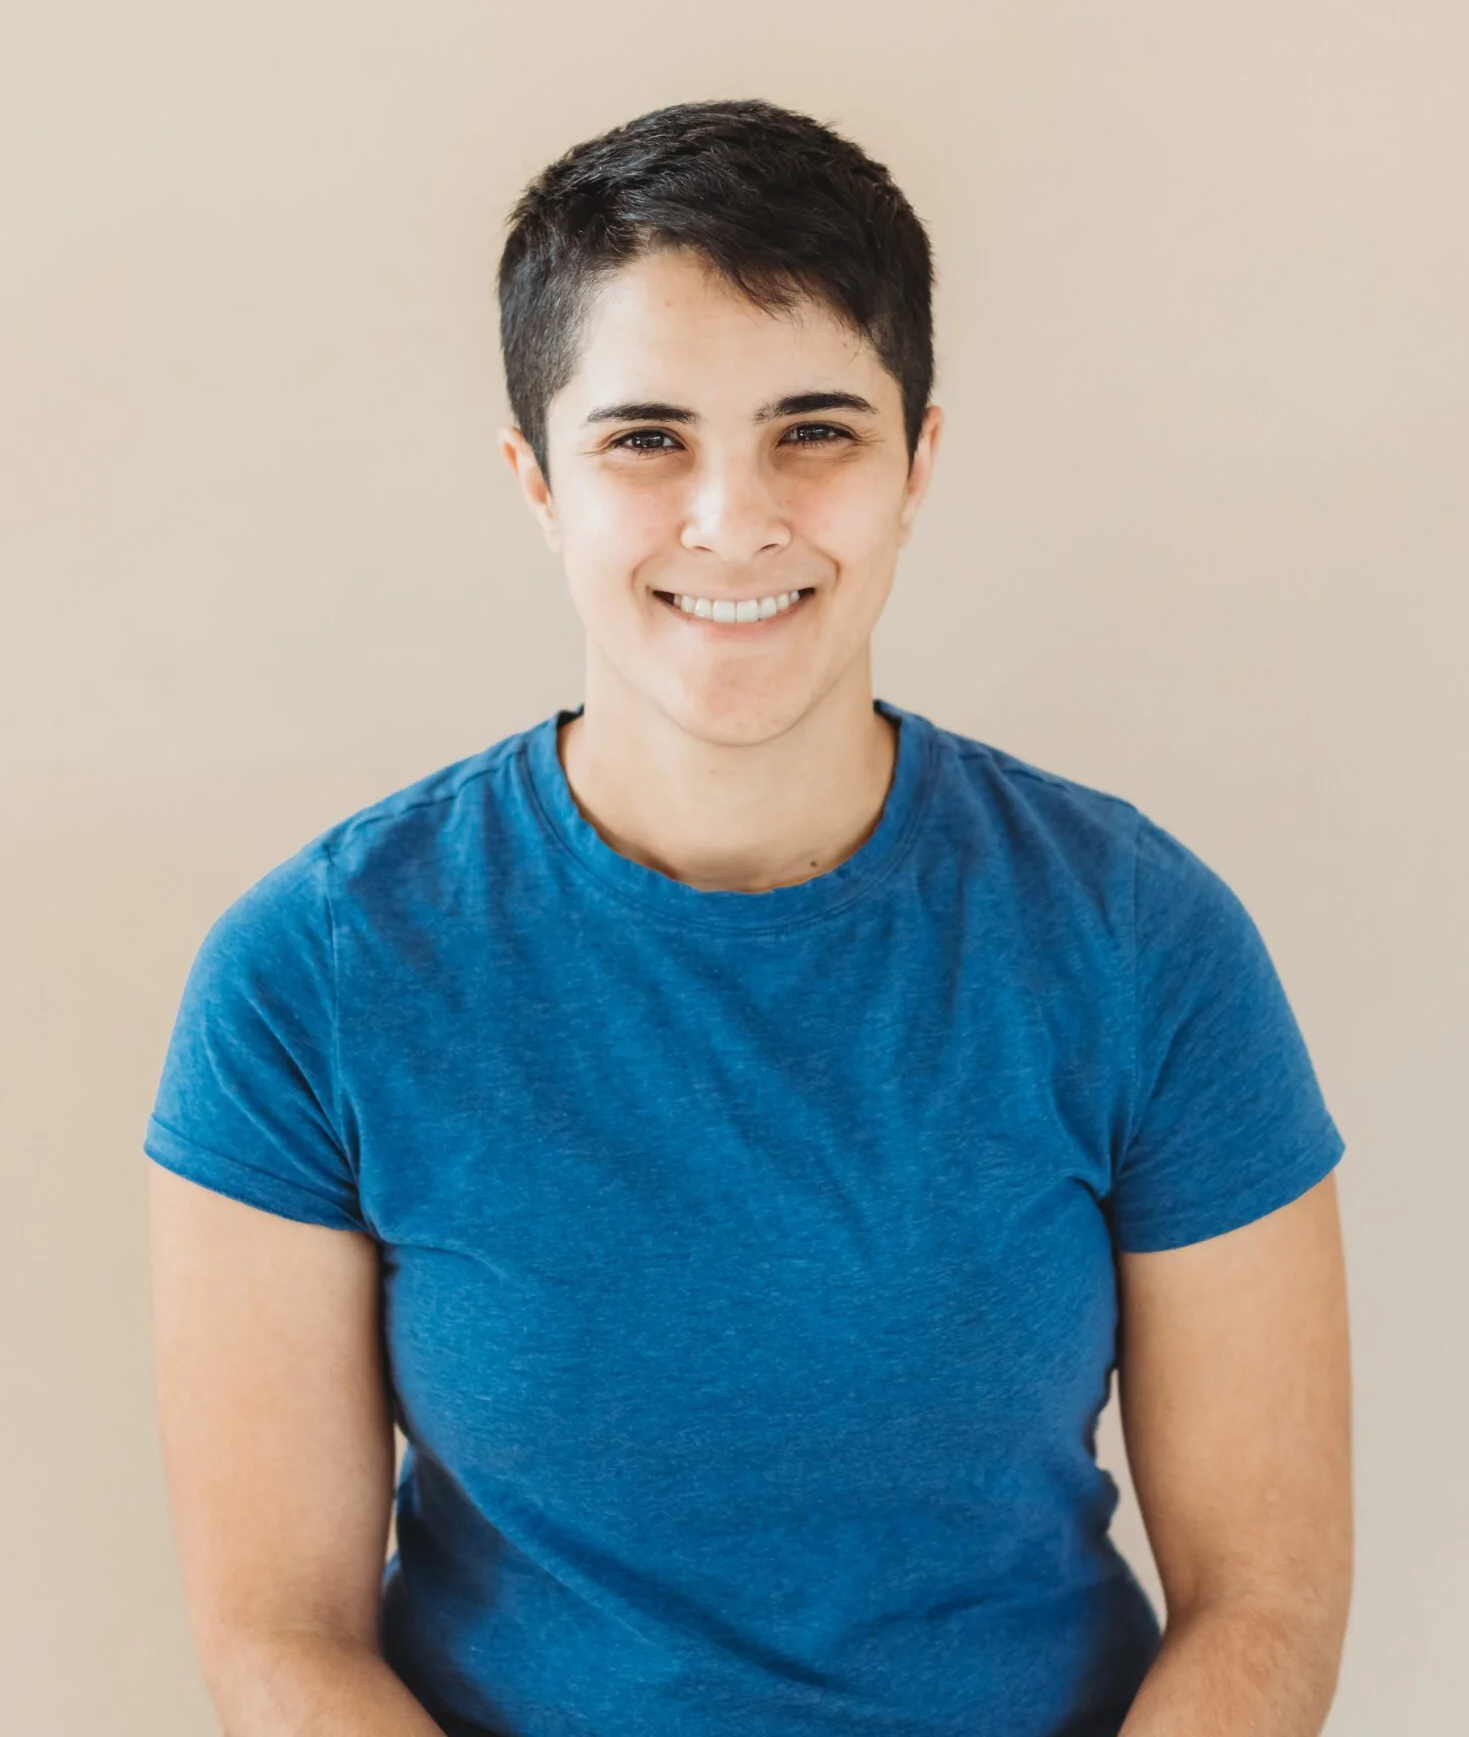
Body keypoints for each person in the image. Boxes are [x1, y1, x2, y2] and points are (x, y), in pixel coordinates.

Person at [144, 99, 1352, 1737]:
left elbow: (1265, 1599)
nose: (735, 517)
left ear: (918, 462)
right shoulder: (313, 974)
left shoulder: (1144, 940)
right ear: (536, 481)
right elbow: (281, 1638)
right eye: (646, 438)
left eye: (816, 429)